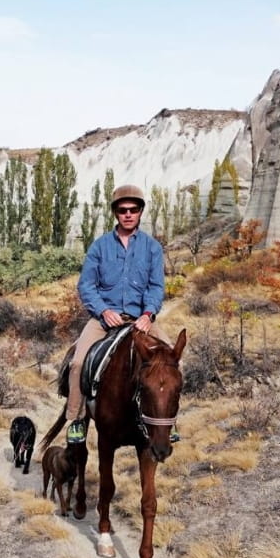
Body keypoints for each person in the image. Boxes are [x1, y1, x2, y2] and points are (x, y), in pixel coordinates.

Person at [65, 184, 171, 443]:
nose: (128, 214)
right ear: (115, 213)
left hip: (140, 320)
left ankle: (167, 422)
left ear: (141, 212)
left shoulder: (152, 248)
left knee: (170, 359)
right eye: (122, 210)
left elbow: (156, 286)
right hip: (104, 319)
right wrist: (103, 310)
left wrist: (148, 314)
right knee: (78, 363)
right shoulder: (100, 247)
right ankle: (76, 419)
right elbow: (86, 285)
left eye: (133, 209)